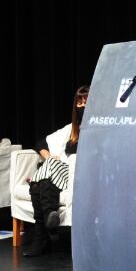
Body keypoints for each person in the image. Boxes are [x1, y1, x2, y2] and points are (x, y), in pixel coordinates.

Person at [21, 85, 88, 257]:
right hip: (61, 174)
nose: (82, 106)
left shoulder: (98, 129)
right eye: (79, 102)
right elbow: (40, 143)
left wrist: (51, 162)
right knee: (42, 178)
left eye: (86, 101)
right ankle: (49, 217)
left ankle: (41, 237)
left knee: (39, 180)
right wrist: (51, 157)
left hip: (80, 175)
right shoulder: (70, 130)